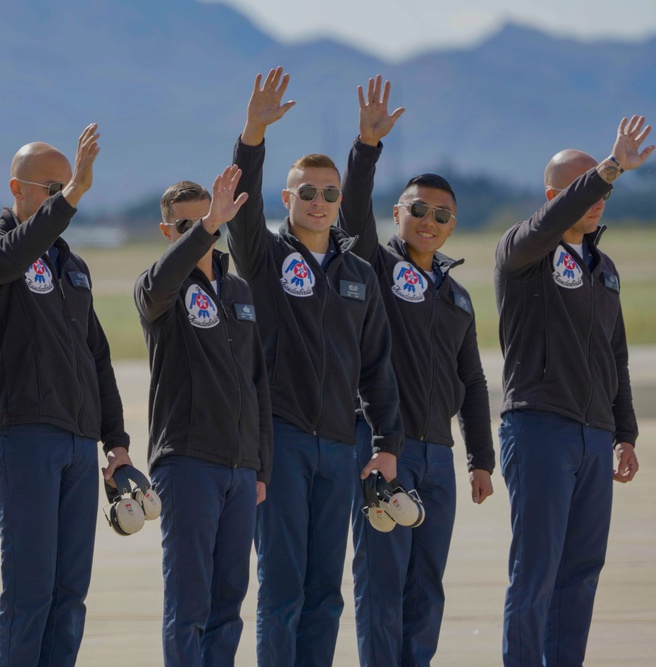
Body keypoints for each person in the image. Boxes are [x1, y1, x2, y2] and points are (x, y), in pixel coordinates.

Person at [227, 67, 404, 666]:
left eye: (330, 194)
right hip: (281, 441)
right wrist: (253, 132)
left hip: (341, 446)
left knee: (326, 591)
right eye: (308, 192)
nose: (322, 203)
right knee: (281, 587)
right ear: (287, 198)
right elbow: (240, 213)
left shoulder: (358, 275)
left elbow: (378, 365)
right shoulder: (266, 258)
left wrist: (386, 442)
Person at [0, 123, 131, 666]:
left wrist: (116, 442)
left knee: (68, 594)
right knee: (30, 590)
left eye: (69, 187)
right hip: (24, 437)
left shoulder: (71, 266)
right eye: (53, 189)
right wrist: (75, 195)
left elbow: (96, 356)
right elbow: (11, 255)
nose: (63, 197)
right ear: (18, 190)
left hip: (79, 444)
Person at [338, 76, 496, 667]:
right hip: (384, 448)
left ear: (453, 224)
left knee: (426, 588)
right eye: (419, 210)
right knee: (382, 584)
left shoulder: (457, 297)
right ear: (400, 214)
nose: (429, 221)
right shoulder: (374, 267)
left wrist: (480, 457)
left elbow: (474, 382)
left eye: (442, 215)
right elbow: (352, 213)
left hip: (439, 455)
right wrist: (366, 148)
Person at [495, 116, 650, 666]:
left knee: (581, 572)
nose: (597, 196)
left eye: (600, 187)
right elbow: (553, 220)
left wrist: (625, 433)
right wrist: (608, 169)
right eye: (581, 186)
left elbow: (616, 356)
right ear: (552, 196)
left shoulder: (603, 268)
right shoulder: (523, 250)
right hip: (539, 426)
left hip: (594, 436)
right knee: (536, 571)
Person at [135, 169, 272, 666]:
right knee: (188, 602)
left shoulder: (238, 291)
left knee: (228, 602)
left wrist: (261, 466)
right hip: (189, 462)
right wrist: (210, 223)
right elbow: (158, 287)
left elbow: (258, 383)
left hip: (241, 469)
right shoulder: (158, 290)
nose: (198, 233)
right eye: (185, 226)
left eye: (206, 222)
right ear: (167, 233)